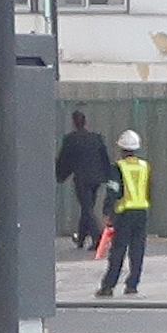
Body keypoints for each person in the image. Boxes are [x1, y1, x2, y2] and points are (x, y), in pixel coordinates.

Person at [99, 127, 156, 297]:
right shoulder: (145, 166)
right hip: (142, 211)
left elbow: (113, 191)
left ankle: (108, 286)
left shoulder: (118, 167)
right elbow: (149, 188)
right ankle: (132, 284)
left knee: (118, 250)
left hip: (124, 213)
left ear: (122, 149)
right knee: (137, 250)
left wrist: (108, 212)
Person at [56, 107, 115, 255]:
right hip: (97, 178)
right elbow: (104, 157)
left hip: (82, 178)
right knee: (87, 207)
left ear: (74, 122)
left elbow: (64, 159)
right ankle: (81, 238)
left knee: (87, 208)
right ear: (86, 121)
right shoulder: (96, 138)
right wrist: (107, 175)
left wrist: (60, 175)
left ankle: (98, 238)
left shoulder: (70, 139)